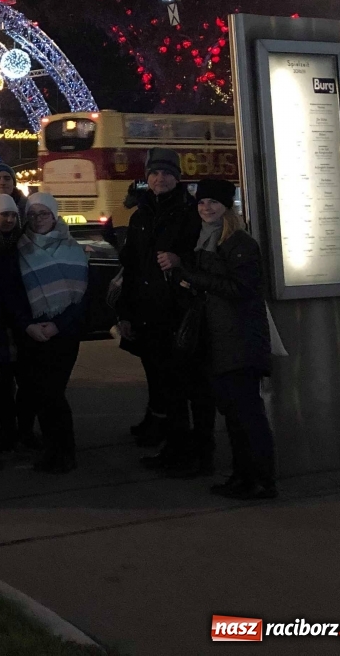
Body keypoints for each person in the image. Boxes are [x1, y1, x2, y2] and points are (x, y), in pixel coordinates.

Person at [169, 178, 275, 499]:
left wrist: (189, 274)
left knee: (247, 416)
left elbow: (240, 289)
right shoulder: (208, 241)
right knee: (233, 416)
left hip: (239, 340)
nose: (206, 208)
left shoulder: (238, 243)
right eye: (202, 202)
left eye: (213, 202)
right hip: (220, 339)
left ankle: (261, 481)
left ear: (227, 206)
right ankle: (242, 477)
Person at [117, 148, 204, 466]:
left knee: (176, 380)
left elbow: (203, 259)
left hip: (175, 311)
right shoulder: (141, 215)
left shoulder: (191, 212)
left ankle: (179, 447)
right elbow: (133, 267)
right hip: (146, 310)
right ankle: (161, 430)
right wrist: (126, 312)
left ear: (177, 178)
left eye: (167, 173)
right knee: (155, 372)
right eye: (154, 173)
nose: (160, 178)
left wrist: (180, 261)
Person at [14, 193, 88, 473]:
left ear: (55, 216)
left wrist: (59, 324)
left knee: (54, 392)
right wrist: (28, 325)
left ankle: (64, 451)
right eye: (32, 214)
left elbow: (82, 298)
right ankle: (50, 449)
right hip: (32, 332)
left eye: (43, 214)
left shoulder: (73, 248)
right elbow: (15, 294)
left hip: (63, 333)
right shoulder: (20, 248)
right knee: (38, 392)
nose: (38, 219)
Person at [0, 193, 29, 452]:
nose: (10, 219)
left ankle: (16, 430)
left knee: (18, 381)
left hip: (18, 322)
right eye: (4, 214)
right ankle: (1, 432)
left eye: (13, 215)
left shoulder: (21, 244)